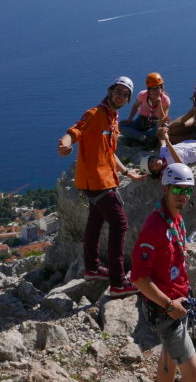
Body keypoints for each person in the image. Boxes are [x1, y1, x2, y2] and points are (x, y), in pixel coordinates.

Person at [57, 76, 145, 297]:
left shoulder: (112, 118)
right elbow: (73, 132)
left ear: (128, 100)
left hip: (104, 179)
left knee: (95, 222)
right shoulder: (95, 114)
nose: (121, 95)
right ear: (110, 90)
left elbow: (109, 152)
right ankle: (118, 282)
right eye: (118, 91)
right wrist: (65, 145)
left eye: (125, 94)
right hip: (97, 181)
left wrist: (126, 172)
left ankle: (93, 268)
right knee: (120, 224)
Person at [131, 162, 196, 382]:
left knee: (169, 357)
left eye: (188, 190)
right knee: (195, 375)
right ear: (165, 189)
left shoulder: (175, 218)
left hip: (177, 302)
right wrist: (169, 305)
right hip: (165, 308)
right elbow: (138, 278)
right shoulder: (154, 228)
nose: (183, 195)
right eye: (178, 189)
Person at [120, 72, 171, 149]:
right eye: (154, 88)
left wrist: (159, 103)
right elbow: (135, 106)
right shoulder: (142, 95)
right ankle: (143, 137)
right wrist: (129, 119)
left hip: (156, 124)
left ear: (162, 88)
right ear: (149, 90)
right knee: (121, 126)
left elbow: (163, 120)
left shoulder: (165, 100)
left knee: (161, 130)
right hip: (141, 121)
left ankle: (137, 137)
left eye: (159, 87)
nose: (157, 91)